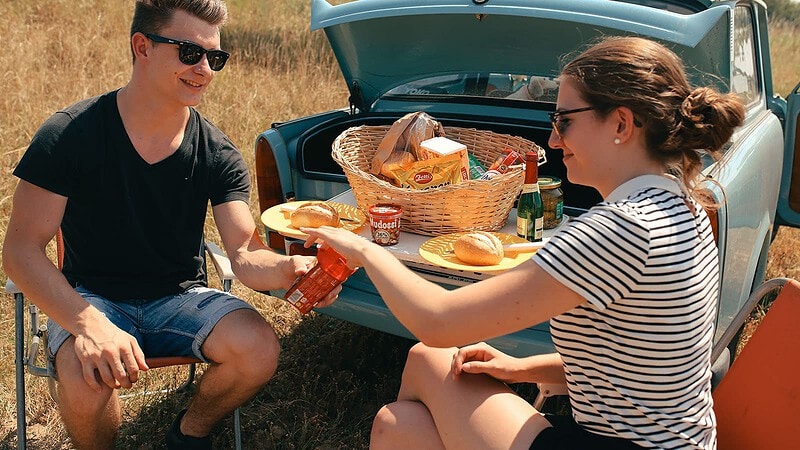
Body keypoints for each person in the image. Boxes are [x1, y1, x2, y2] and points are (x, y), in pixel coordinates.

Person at [302, 36, 745, 450]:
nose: (553, 140)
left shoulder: (618, 230)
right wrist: (518, 368)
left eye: (564, 121)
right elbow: (641, 367)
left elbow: (438, 322)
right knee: (400, 422)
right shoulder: (683, 206)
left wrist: (365, 249)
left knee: (417, 378)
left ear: (622, 123)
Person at [2, 1, 334, 449]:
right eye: (189, 53)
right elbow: (21, 251)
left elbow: (244, 253)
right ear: (142, 46)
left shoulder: (218, 151)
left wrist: (288, 270)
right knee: (85, 380)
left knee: (258, 350)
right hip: (91, 296)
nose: (204, 70)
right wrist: (88, 325)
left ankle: (188, 433)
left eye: (214, 58)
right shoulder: (69, 135)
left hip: (180, 295)